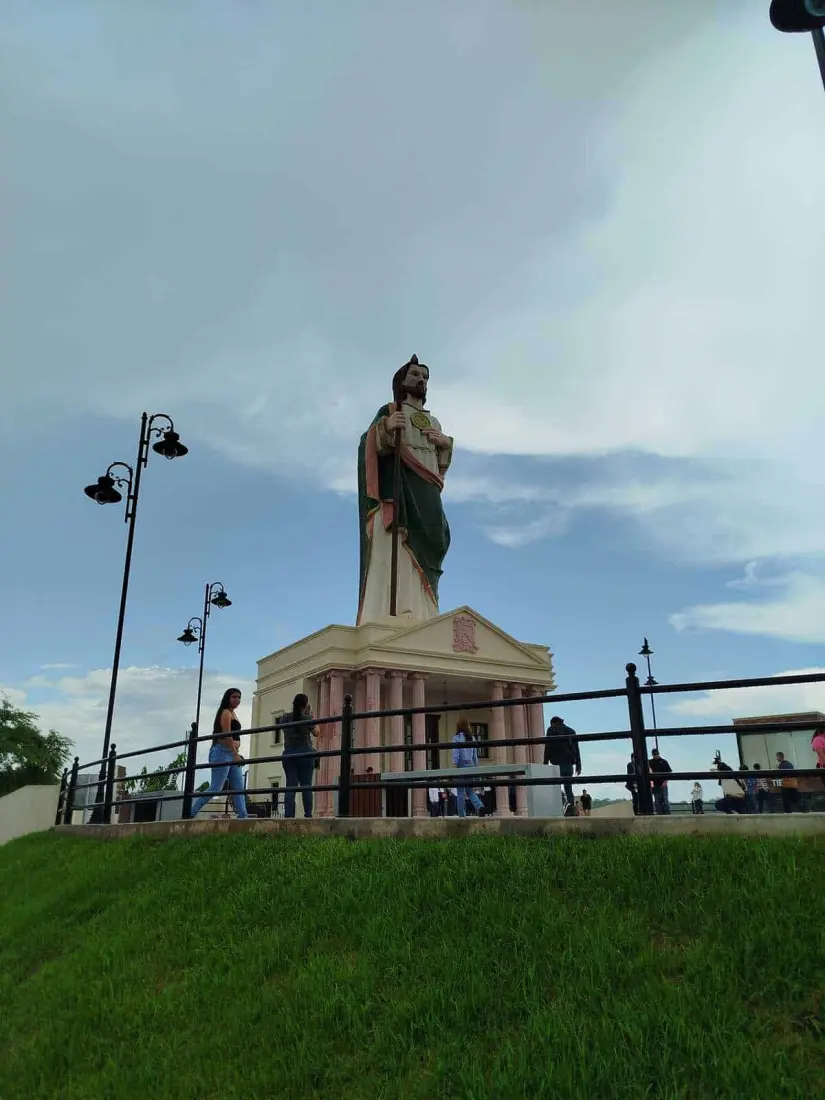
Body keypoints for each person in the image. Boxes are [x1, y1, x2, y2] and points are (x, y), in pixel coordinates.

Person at [357, 355, 453, 624]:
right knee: (400, 540)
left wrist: (445, 443)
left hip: (427, 488)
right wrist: (385, 428)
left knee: (435, 541)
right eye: (415, 375)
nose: (421, 380)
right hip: (399, 490)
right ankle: (400, 610)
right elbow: (367, 446)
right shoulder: (390, 410)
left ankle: (426, 610)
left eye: (424, 377)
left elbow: (440, 466)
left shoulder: (433, 422)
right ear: (401, 381)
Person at [188, 688, 249, 820]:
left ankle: (243, 817)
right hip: (222, 752)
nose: (237, 700)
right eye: (234, 697)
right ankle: (191, 812)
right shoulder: (226, 713)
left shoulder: (233, 713)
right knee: (216, 787)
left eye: (239, 697)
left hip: (231, 753)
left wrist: (236, 751)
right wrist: (235, 753)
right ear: (228, 698)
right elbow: (226, 736)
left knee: (238, 786)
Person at [280, 693, 317, 819]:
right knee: (306, 784)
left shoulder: (285, 717)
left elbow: (282, 726)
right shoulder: (307, 719)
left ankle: (288, 816)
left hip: (289, 751)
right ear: (305, 705)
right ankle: (308, 815)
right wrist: (311, 717)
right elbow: (316, 732)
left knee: (291, 785)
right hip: (305, 751)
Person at [543, 716, 581, 813]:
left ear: (553, 723)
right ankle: (571, 809)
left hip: (556, 763)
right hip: (569, 764)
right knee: (568, 788)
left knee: (554, 787)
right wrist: (578, 765)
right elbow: (577, 749)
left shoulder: (551, 729)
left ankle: (562, 806)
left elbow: (547, 747)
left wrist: (545, 763)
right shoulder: (571, 731)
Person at [452, 720, 485, 818]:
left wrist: (454, 766)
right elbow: (475, 756)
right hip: (471, 766)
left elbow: (455, 753)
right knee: (470, 791)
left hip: (461, 766)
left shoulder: (456, 738)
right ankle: (480, 806)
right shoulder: (472, 738)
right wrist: (476, 769)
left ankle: (462, 815)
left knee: (460, 792)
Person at [648, 748, 672, 815]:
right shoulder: (650, 762)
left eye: (656, 754)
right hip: (655, 784)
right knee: (657, 800)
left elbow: (669, 773)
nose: (656, 755)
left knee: (665, 799)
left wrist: (665, 782)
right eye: (654, 754)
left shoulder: (664, 762)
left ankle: (667, 813)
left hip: (663, 783)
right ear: (652, 755)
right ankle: (659, 813)